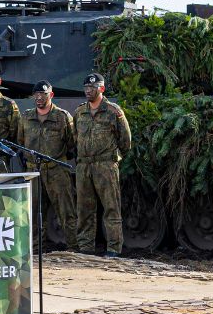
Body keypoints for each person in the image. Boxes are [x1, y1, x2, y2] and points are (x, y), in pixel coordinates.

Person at [73, 73, 131, 257]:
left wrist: (113, 158)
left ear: (102, 89)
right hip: (84, 166)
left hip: (106, 165)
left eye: (93, 88)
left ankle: (113, 248)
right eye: (86, 88)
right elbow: (75, 137)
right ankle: (86, 248)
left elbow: (126, 141)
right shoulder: (79, 112)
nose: (89, 91)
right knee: (84, 209)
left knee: (111, 207)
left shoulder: (113, 111)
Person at [18, 80, 79, 251]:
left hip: (56, 170)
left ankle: (73, 247)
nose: (38, 98)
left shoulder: (62, 117)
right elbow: (20, 141)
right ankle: (36, 248)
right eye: (36, 95)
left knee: (66, 210)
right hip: (33, 170)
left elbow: (71, 143)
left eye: (43, 95)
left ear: (50, 95)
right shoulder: (26, 117)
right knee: (33, 211)